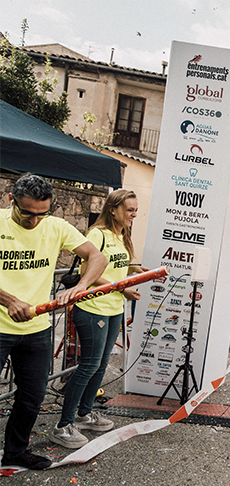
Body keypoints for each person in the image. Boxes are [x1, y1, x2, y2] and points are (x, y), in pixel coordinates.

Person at [0, 174, 107, 470]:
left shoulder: (56, 226)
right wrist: (10, 301)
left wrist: (82, 284)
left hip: (36, 329)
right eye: (27, 212)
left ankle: (15, 452)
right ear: (12, 201)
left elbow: (96, 257)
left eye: (41, 214)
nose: (34, 220)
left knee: (31, 397)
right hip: (0, 327)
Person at [50, 190, 146, 449]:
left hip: (114, 308)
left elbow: (114, 265)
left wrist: (134, 270)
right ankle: (63, 425)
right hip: (93, 308)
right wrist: (122, 287)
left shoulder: (121, 235)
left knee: (101, 365)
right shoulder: (98, 234)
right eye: (130, 210)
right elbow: (88, 272)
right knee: (89, 365)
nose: (134, 215)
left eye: (136, 210)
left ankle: (84, 413)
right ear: (113, 209)